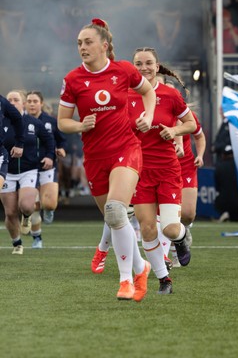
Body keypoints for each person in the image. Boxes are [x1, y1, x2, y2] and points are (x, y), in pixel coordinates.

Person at [57, 18, 156, 302]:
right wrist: (80, 126)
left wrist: (147, 116)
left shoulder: (123, 69)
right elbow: (63, 122)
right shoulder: (73, 79)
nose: (82, 47)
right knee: (115, 220)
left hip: (126, 148)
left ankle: (126, 281)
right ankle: (141, 267)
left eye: (87, 42)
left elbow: (148, 92)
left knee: (115, 211)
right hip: (95, 157)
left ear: (104, 45)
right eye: (79, 43)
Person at [128, 47, 196, 294]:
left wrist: (175, 131)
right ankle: (164, 279)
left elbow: (191, 124)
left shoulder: (170, 95)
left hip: (167, 169)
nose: (143, 67)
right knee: (146, 228)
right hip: (139, 171)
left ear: (157, 67)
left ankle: (181, 237)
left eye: (148, 63)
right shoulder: (126, 96)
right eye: (138, 63)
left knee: (168, 227)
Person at [1, 90, 54, 254]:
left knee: (26, 205)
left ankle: (27, 216)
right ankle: (17, 243)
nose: (12, 102)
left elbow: (49, 140)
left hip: (29, 170)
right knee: (10, 212)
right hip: (7, 171)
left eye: (16, 99)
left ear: (23, 103)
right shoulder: (3, 120)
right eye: (9, 99)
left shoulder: (32, 122)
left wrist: (50, 156)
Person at [170, 109, 206, 267]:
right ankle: (174, 251)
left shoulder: (187, 115)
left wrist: (200, 155)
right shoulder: (150, 113)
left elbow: (199, 136)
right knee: (167, 215)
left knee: (188, 214)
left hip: (186, 166)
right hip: (164, 166)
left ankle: (183, 230)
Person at [25, 90, 67, 224]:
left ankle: (49, 209)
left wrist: (61, 148)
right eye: (29, 101)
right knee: (32, 205)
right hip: (28, 167)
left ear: (41, 103)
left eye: (35, 101)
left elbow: (61, 139)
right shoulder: (20, 122)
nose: (32, 104)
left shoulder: (51, 121)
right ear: (25, 104)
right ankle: (36, 235)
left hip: (47, 166)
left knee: (49, 204)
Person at [212, 109, 238, 222]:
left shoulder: (232, 124)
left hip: (230, 161)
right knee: (222, 187)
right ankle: (227, 212)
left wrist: (220, 147)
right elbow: (217, 143)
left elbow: (228, 143)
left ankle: (234, 213)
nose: (221, 111)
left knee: (231, 190)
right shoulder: (224, 123)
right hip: (222, 162)